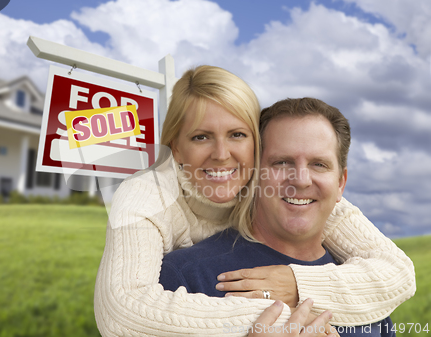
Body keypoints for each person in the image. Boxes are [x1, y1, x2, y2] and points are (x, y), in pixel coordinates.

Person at [94, 66, 416, 336]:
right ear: (175, 148)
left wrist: (298, 285)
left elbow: (397, 272)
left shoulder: (310, 203)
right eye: (200, 136)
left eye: (237, 134)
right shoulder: (149, 200)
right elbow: (123, 309)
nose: (222, 156)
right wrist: (277, 321)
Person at [159, 97, 400, 336]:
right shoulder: (185, 277)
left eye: (319, 164)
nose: (301, 180)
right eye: (282, 162)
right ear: (254, 174)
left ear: (340, 184)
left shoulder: (369, 293)